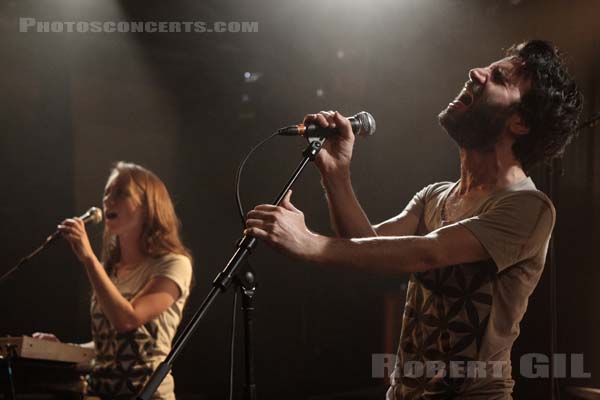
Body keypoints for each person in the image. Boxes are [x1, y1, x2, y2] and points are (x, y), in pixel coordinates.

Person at [243, 40, 582, 398]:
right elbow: (368, 246)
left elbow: (427, 253)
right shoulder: (436, 194)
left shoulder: (528, 207)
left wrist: (310, 244)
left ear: (521, 122)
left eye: (497, 77)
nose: (476, 72)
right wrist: (337, 174)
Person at [36, 162, 193, 400]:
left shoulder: (174, 264)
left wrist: (88, 258)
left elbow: (127, 320)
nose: (108, 199)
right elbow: (107, 348)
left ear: (148, 206)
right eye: (107, 192)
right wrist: (62, 350)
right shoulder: (109, 272)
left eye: (120, 193)